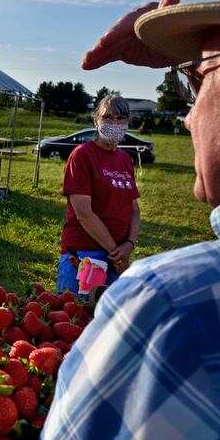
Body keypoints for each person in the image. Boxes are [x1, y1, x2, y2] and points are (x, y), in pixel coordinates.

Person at [22, 0, 220, 440]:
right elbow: (82, 209)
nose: (190, 115)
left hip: (117, 257)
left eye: (198, 81)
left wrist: (128, 250)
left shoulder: (173, 309)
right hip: (89, 256)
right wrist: (112, 249)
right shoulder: (83, 156)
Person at [56, 93, 140, 295]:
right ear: (96, 120)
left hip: (117, 256)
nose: (115, 123)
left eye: (121, 118)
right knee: (76, 319)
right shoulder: (82, 155)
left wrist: (129, 244)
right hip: (85, 255)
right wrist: (117, 254)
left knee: (109, 322)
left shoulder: (125, 159)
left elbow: (134, 210)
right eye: (108, 117)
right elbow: (84, 213)